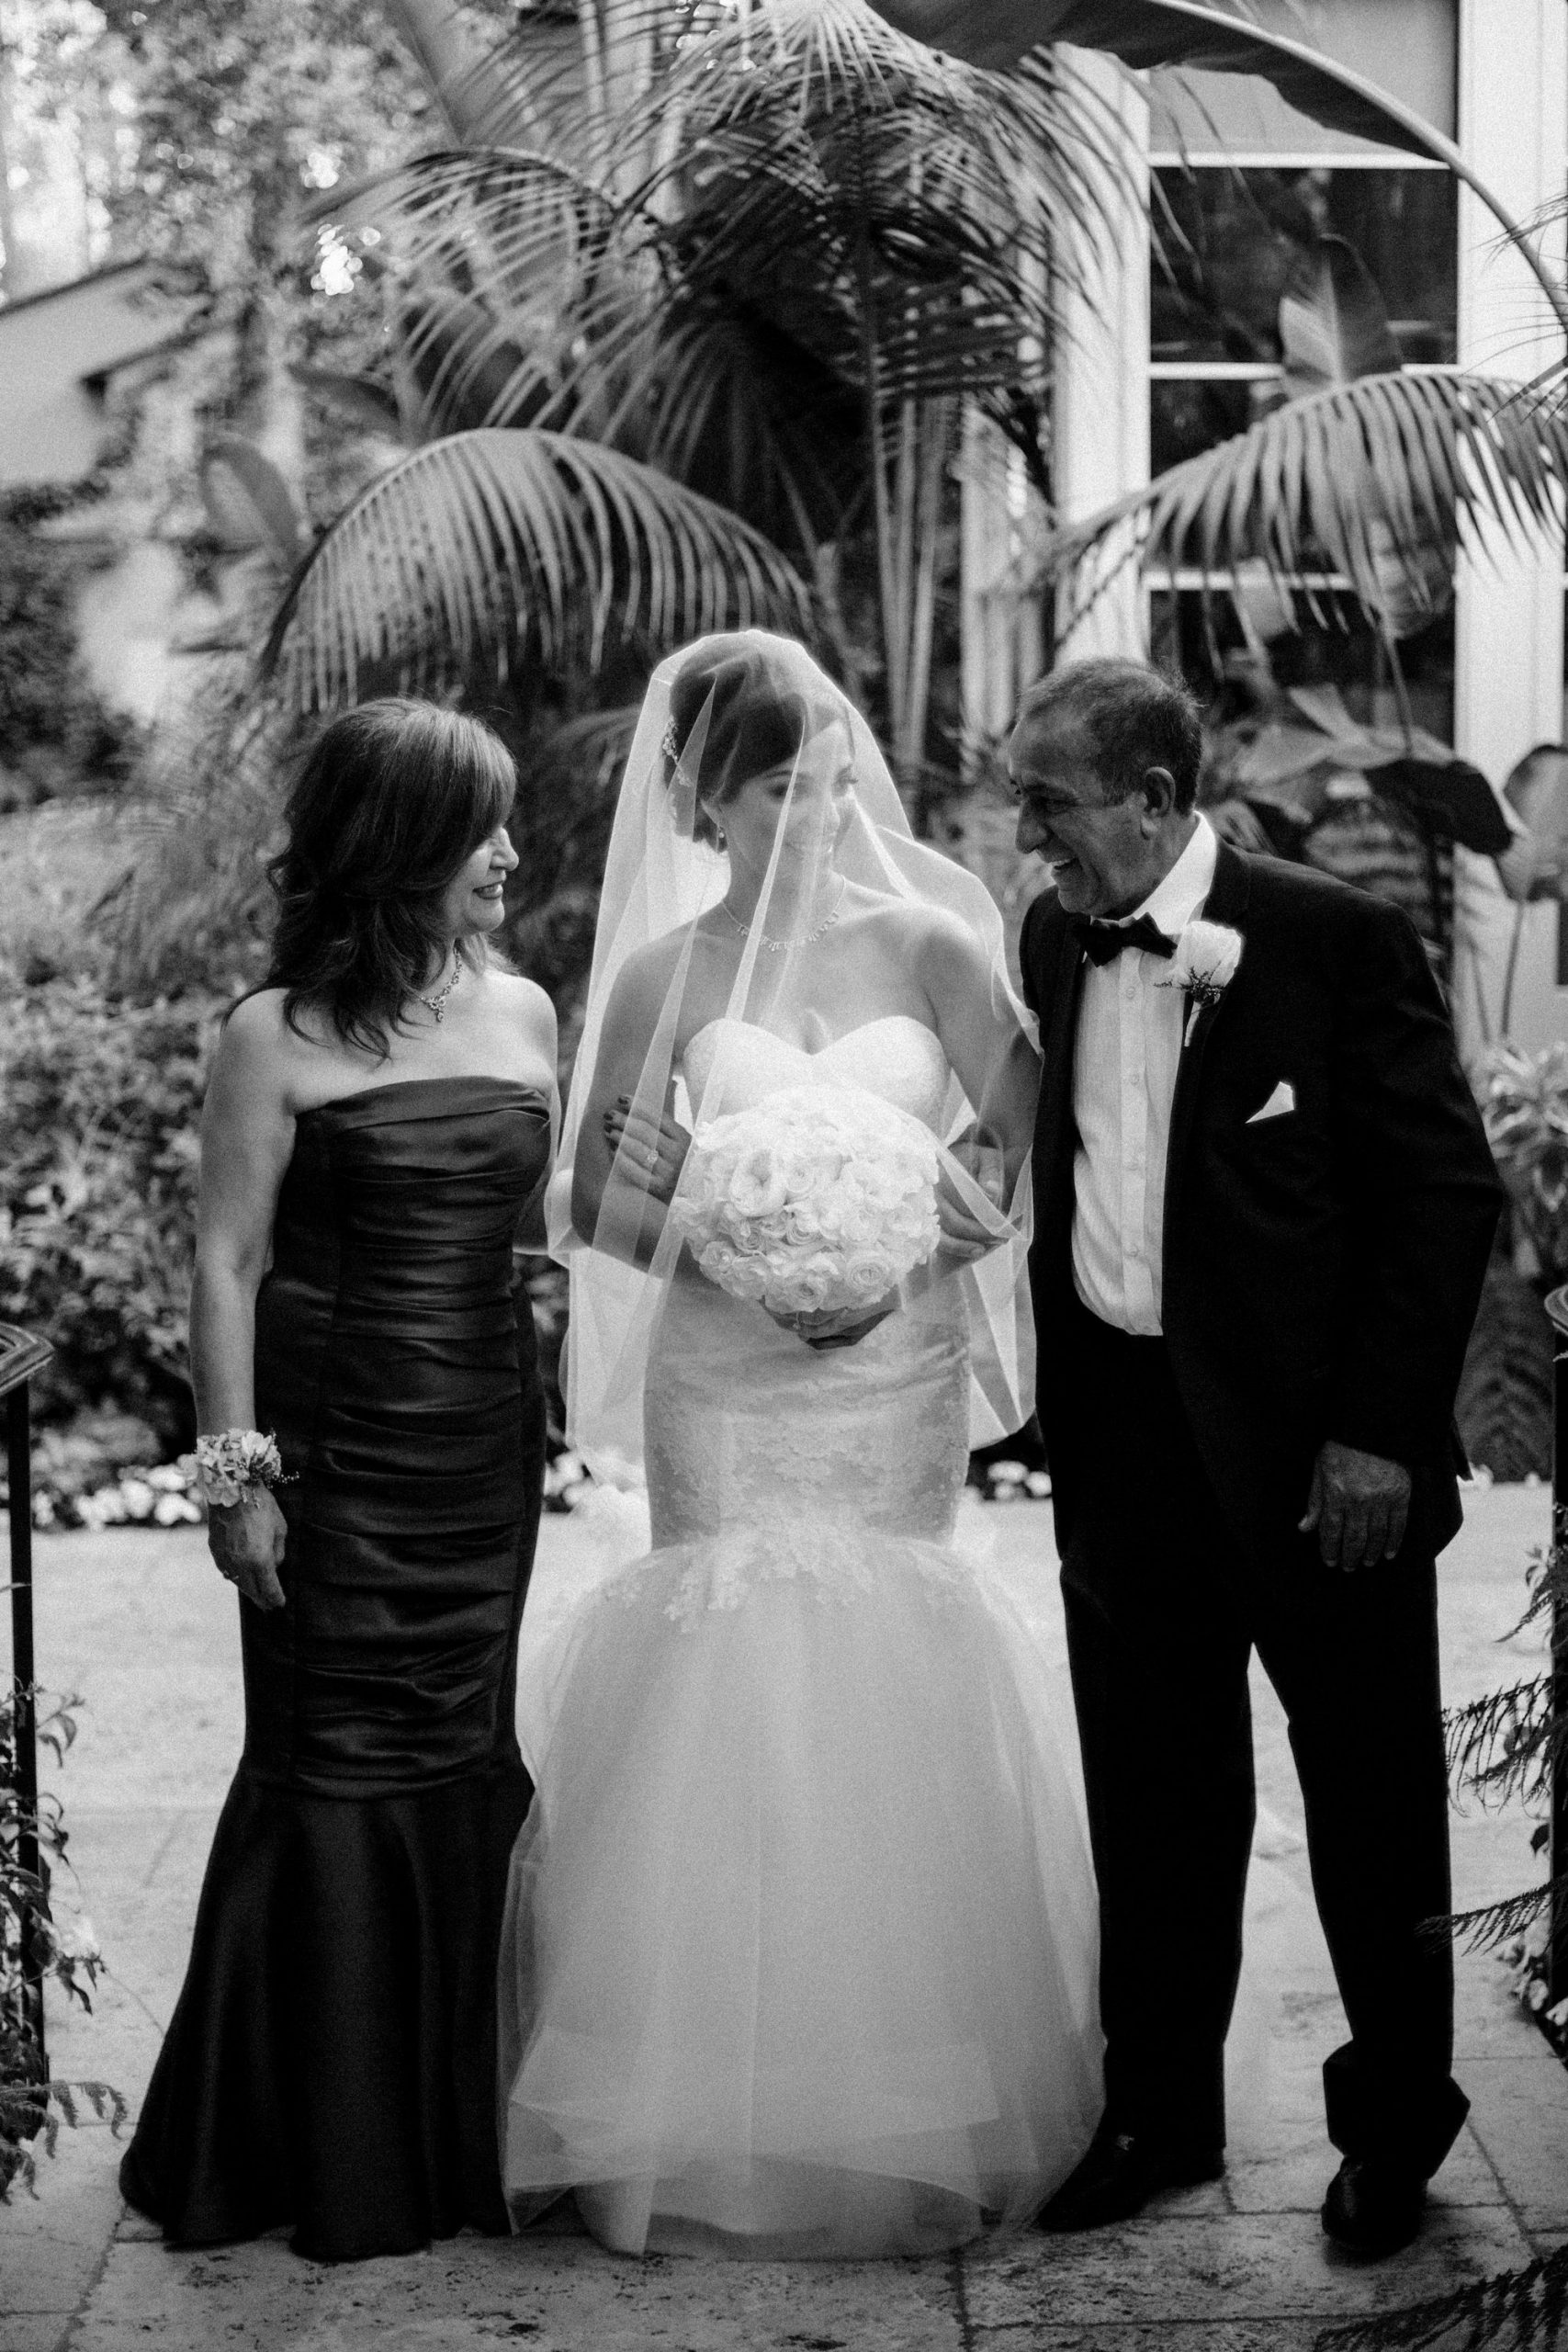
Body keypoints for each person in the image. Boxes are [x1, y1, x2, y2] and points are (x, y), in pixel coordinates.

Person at [495, 631, 1101, 2258]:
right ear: (707, 801)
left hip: (891, 1373)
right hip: (726, 1381)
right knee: (728, 1672)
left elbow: (1019, 1130)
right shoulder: (664, 976)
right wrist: (739, 1257)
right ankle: (707, 2113)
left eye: (831, 778)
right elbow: (590, 1201)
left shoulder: (932, 942)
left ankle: (906, 2095)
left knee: (884, 1661)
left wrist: (921, 1242)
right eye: (779, 787)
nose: (819, 810)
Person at [1010, 656, 1502, 2257]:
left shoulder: (1334, 939)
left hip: (1318, 1463)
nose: (1030, 840)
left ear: (1154, 800)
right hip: (1125, 1448)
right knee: (1152, 1800)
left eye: (1051, 806)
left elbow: (1442, 1195)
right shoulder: (1056, 937)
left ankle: (1393, 2135)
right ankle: (1156, 2115)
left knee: (1369, 1801)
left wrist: (1377, 1434)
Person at [119, 698, 558, 2262]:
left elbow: (531, 1232)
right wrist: (234, 1478)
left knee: (464, 1760)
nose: (508, 853)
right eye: (478, 828)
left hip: (480, 1455)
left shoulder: (526, 1011)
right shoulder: (274, 1033)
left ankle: (454, 2137)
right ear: (399, 846)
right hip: (335, 1457)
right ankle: (305, 2149)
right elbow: (226, 1263)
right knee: (328, 1770)